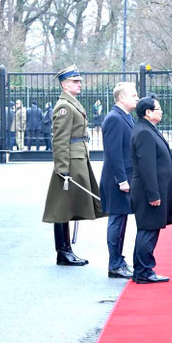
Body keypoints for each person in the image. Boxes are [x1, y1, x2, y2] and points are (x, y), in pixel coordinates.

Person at [42, 65, 105, 266]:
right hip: (69, 163)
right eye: (75, 81)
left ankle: (67, 250)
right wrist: (62, 169)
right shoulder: (64, 107)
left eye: (79, 81)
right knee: (62, 208)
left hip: (77, 159)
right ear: (64, 84)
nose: (79, 84)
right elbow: (60, 140)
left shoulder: (71, 103)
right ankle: (63, 251)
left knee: (67, 208)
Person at [131, 96, 172, 283]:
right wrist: (153, 194)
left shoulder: (147, 129)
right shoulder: (144, 132)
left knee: (150, 229)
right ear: (148, 112)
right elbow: (147, 167)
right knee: (148, 229)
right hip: (149, 192)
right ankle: (144, 271)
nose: (161, 111)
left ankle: (142, 269)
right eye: (158, 109)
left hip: (154, 190)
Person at [100, 82, 139, 279]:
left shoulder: (125, 117)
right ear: (121, 98)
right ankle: (114, 264)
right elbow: (114, 153)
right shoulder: (114, 118)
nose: (137, 98)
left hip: (124, 177)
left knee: (121, 220)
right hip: (117, 180)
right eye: (133, 95)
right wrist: (122, 180)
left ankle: (118, 261)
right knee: (117, 219)